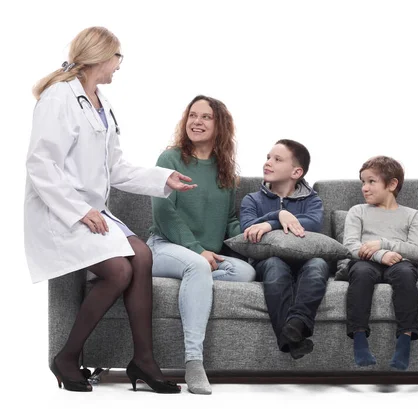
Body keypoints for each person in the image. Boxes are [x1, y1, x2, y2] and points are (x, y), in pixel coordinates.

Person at [25, 27, 195, 393]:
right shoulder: (59, 98)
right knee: (119, 270)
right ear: (101, 56)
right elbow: (40, 165)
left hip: (93, 211)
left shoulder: (100, 103)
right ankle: (67, 356)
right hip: (62, 212)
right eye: (118, 57)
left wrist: (165, 179)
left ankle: (144, 361)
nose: (119, 65)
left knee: (142, 255)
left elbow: (116, 169)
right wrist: (77, 211)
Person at [147, 95, 255, 395]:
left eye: (206, 117)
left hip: (202, 256)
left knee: (244, 272)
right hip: (163, 246)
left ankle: (195, 277)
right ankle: (194, 362)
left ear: (219, 124)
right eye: (192, 115)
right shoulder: (170, 160)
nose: (197, 121)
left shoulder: (225, 169)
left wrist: (252, 235)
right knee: (196, 266)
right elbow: (164, 213)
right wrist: (198, 251)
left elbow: (229, 219)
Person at [240, 139, 329, 359]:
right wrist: (278, 214)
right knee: (275, 266)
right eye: (268, 157)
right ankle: (290, 336)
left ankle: (296, 324)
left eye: (277, 159)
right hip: (268, 260)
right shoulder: (251, 199)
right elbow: (248, 229)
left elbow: (312, 223)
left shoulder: (312, 201)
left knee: (318, 265)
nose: (268, 163)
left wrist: (271, 224)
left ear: (296, 171)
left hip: (304, 258)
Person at [343, 156, 418, 369]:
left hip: (400, 262)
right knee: (360, 273)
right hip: (365, 261)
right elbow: (351, 246)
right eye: (362, 182)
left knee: (406, 275)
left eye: (371, 181)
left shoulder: (413, 215)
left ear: (392, 184)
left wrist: (383, 244)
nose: (364, 188)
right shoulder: (357, 211)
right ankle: (360, 341)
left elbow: (415, 251)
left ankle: (404, 342)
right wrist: (380, 254)